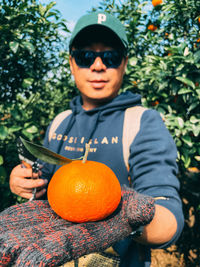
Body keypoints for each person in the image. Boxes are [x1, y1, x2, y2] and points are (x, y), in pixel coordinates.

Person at [6, 11, 184, 266]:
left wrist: (124, 221)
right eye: (86, 56)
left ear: (123, 63)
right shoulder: (61, 121)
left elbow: (168, 219)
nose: (98, 65)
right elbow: (44, 180)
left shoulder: (142, 122)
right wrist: (23, 181)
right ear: (71, 63)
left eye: (110, 57)